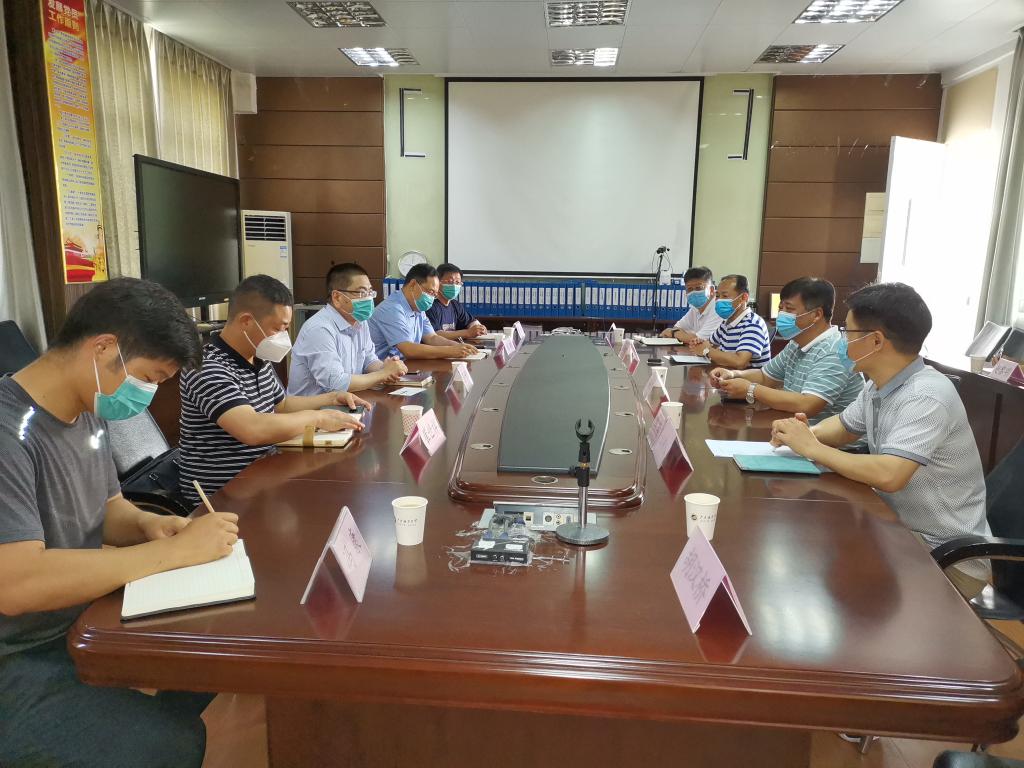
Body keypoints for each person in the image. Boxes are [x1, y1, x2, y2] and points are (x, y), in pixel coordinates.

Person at [0, 278, 239, 768]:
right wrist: (169, 554)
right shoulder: (9, 433)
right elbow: (16, 583)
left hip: (81, 621)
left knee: (215, 661)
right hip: (19, 656)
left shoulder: (87, 410)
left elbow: (109, 509)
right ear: (103, 347)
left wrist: (152, 526)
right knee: (170, 744)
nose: (148, 394)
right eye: (148, 377)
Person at [770, 282, 991, 597]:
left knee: (817, 576)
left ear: (875, 341)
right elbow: (844, 427)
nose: (842, 341)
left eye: (847, 332)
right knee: (808, 552)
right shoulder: (879, 385)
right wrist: (802, 433)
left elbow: (890, 475)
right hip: (897, 531)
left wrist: (812, 447)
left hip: (945, 555)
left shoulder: (926, 396)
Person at [178, 275, 368, 508]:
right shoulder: (207, 367)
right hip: (222, 495)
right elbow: (252, 429)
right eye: (278, 329)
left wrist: (331, 398)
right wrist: (319, 418)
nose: (283, 337)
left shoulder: (256, 356)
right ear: (246, 321)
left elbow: (282, 405)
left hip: (264, 474)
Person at [710, 277, 861, 421]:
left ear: (816, 314)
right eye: (780, 308)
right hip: (793, 428)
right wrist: (732, 374)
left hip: (824, 437)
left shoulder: (835, 350)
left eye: (789, 309)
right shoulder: (796, 343)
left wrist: (751, 390)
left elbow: (808, 404)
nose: (781, 315)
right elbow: (765, 377)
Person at [288, 262, 408, 396]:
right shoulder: (319, 329)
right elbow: (335, 384)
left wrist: (387, 368)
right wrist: (382, 374)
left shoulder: (360, 322)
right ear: (337, 297)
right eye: (361, 292)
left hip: (348, 401)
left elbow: (368, 360)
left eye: (370, 292)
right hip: (315, 407)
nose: (369, 298)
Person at [368, 263, 478, 360]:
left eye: (435, 294)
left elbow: (432, 338)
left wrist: (458, 346)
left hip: (403, 366)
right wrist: (450, 351)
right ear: (413, 285)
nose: (432, 298)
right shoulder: (392, 309)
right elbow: (408, 349)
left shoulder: (418, 308)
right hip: (381, 369)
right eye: (430, 292)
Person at [686, 274, 770, 369]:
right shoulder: (727, 322)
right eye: (717, 296)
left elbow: (740, 362)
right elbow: (711, 344)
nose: (719, 300)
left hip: (745, 378)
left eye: (725, 296)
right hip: (725, 374)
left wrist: (706, 350)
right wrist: (699, 343)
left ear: (743, 298)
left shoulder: (753, 324)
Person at [659, 266, 723, 343]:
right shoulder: (696, 308)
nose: (694, 292)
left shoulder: (719, 308)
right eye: (689, 289)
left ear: (711, 290)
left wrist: (674, 333)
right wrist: (681, 334)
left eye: (698, 288)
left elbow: (699, 340)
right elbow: (677, 327)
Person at [426, 263, 488, 340]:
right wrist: (467, 333)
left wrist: (478, 328)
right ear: (437, 282)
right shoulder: (429, 305)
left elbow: (471, 322)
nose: (454, 286)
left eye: (457, 282)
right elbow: (435, 335)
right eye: (450, 281)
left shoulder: (455, 305)